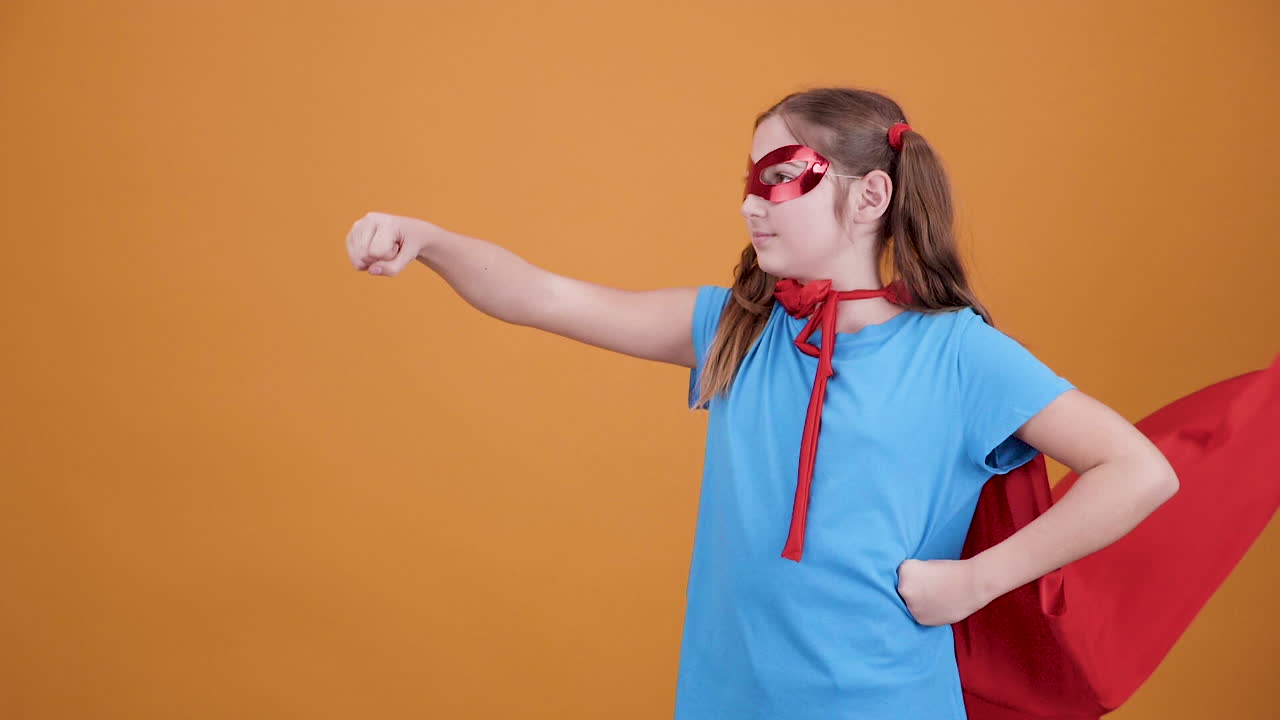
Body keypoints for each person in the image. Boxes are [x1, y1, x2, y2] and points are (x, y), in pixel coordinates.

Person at [344, 87, 1276, 719]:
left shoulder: (958, 353)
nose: (752, 203)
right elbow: (544, 297)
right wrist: (429, 238)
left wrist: (977, 582)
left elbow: (1139, 470)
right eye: (747, 179)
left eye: (779, 177)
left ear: (870, 194)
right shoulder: (736, 329)